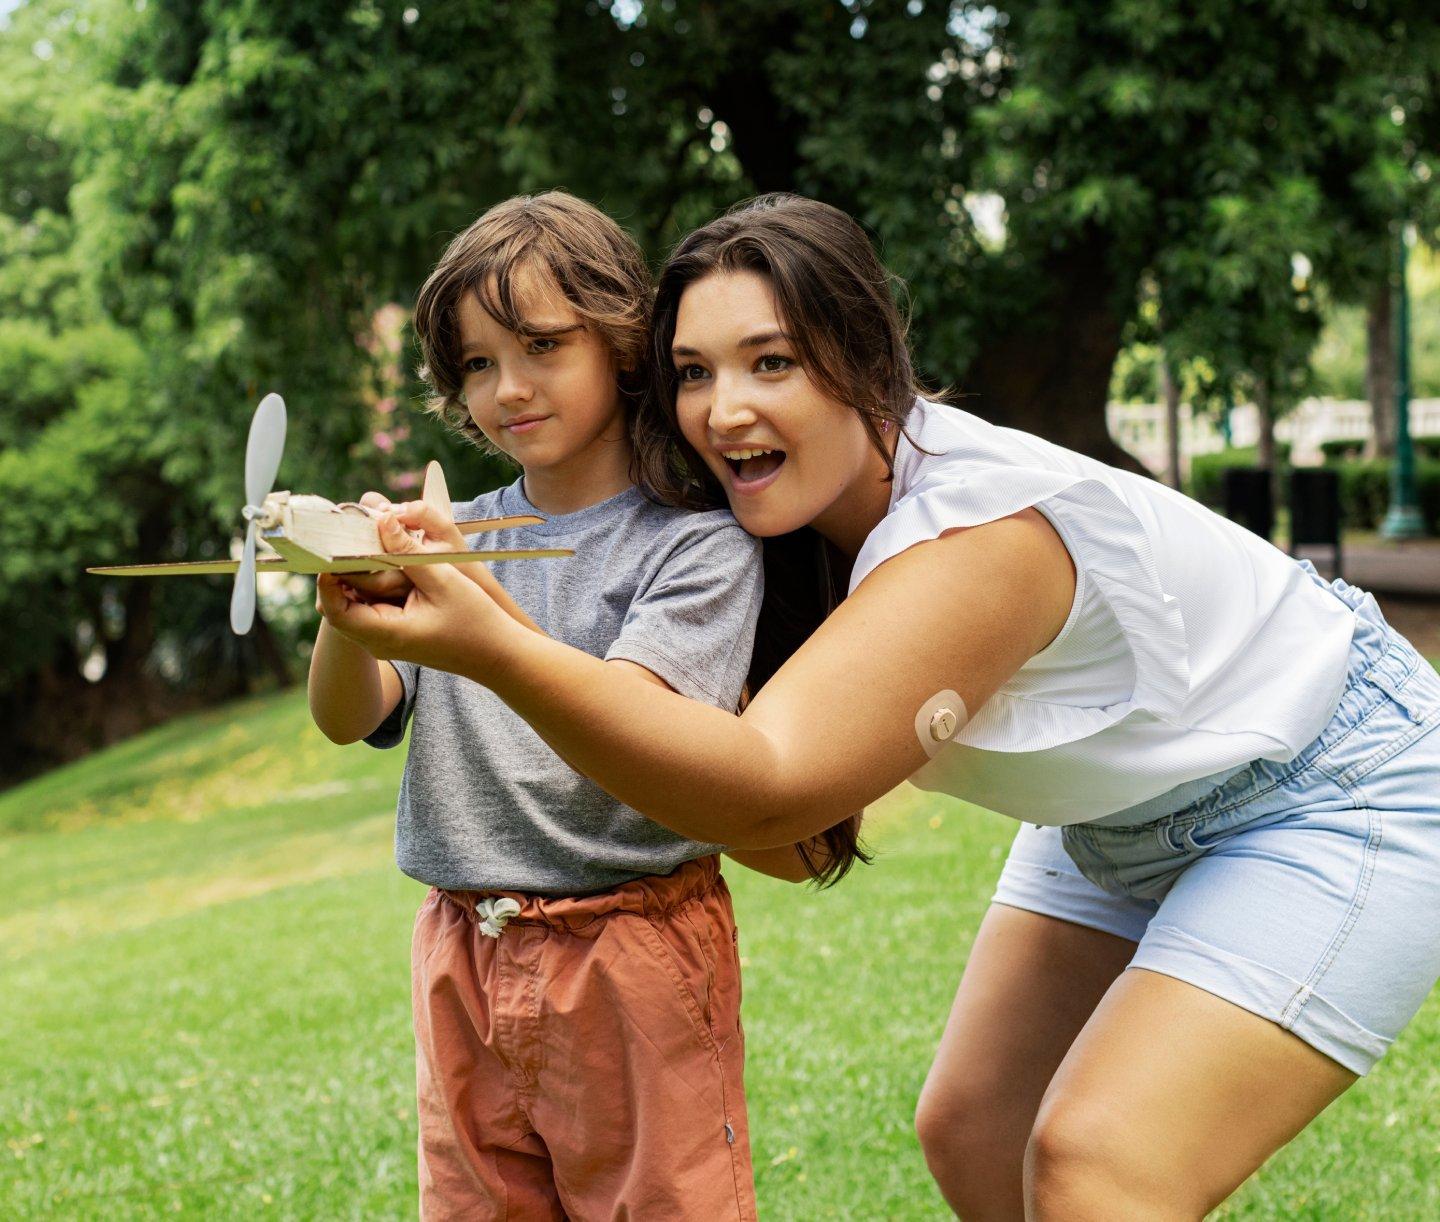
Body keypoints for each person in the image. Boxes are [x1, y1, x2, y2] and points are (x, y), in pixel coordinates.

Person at [318, 194, 1440, 1219]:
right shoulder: (781, 526)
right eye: (697, 372)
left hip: (1332, 781)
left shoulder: (978, 536)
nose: (726, 408)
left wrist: (497, 645)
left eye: (772, 362)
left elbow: (768, 791)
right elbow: (801, 848)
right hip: (1120, 815)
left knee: (1102, 1164)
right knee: (975, 1130)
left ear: (863, 359)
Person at [309, 191, 861, 1221]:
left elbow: (626, 724)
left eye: (541, 346)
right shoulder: (455, 530)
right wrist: (345, 605)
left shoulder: (692, 542)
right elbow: (351, 716)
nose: (507, 387)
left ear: (619, 341)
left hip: (630, 947)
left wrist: (470, 592)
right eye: (476, 363)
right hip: (463, 941)